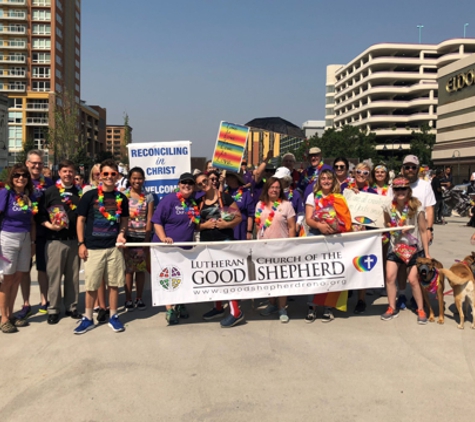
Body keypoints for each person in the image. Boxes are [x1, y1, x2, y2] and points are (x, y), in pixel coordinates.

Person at [75, 159, 129, 334]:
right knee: (91, 285)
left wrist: (121, 234)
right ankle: (88, 318)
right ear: (100, 175)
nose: (109, 177)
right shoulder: (89, 196)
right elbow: (80, 220)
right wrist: (81, 243)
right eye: (105, 173)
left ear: (117, 176)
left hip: (113, 247)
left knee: (114, 284)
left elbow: (124, 220)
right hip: (93, 247)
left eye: (113, 174)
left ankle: (114, 316)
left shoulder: (121, 198)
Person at [195, 172, 244, 327]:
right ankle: (218, 307)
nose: (204, 184)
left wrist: (225, 225)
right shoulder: (199, 202)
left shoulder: (225, 198)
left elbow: (238, 218)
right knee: (214, 276)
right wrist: (204, 226)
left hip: (224, 242)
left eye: (205, 180)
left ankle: (236, 311)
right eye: (200, 183)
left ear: (211, 180)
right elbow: (194, 223)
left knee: (227, 276)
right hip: (207, 244)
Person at [380, 177, 430, 325]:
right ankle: (391, 307)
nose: (400, 192)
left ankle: (421, 309)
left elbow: (423, 230)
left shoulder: (417, 207)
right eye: (397, 189)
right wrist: (395, 228)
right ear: (393, 191)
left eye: (403, 189)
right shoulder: (388, 206)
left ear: (409, 190)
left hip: (414, 248)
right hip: (396, 246)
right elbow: (387, 222)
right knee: (389, 277)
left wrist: (426, 253)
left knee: (413, 280)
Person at [152, 172, 200, 325]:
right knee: (169, 277)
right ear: (179, 184)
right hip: (167, 248)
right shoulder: (169, 200)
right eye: (184, 183)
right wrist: (163, 238)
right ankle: (170, 309)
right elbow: (157, 221)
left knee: (183, 277)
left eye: (190, 183)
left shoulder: (193, 202)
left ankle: (180, 304)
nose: (187, 185)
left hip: (185, 248)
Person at [304, 170, 352, 322]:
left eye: (329, 178)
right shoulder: (312, 196)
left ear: (333, 181)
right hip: (316, 234)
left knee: (332, 271)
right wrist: (320, 226)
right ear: (319, 181)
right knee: (314, 271)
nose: (326, 181)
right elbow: (308, 219)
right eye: (323, 178)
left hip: (335, 236)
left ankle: (328, 307)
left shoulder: (339, 197)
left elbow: (345, 217)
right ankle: (312, 306)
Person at [39, 159, 82, 324]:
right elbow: (41, 214)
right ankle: (54, 309)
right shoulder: (50, 192)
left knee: (73, 277)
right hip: (55, 240)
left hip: (73, 240)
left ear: (74, 173)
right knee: (54, 277)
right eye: (65, 171)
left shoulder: (80, 193)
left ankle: (72, 307)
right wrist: (50, 225)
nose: (68, 174)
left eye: (71, 171)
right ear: (59, 173)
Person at [16, 150, 53, 321]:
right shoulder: (20, 182)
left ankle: (45, 300)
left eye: (40, 163)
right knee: (24, 269)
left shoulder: (49, 183)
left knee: (43, 268)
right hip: (24, 231)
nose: (37, 166)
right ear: (27, 163)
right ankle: (26, 303)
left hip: (44, 231)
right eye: (34, 163)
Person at [0, 164, 37, 333]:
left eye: (24, 175)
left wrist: (32, 242)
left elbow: (32, 221)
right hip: (8, 237)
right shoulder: (5, 193)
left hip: (25, 238)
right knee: (7, 279)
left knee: (18, 277)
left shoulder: (28, 196)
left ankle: (11, 313)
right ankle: (4, 317)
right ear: (11, 177)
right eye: (17, 175)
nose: (20, 178)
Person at [397, 155, 436, 310]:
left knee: (420, 265)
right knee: (401, 266)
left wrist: (429, 229)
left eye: (413, 167)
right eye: (407, 167)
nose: (410, 170)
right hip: (400, 232)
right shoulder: (397, 184)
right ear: (403, 168)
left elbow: (429, 208)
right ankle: (401, 294)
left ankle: (416, 295)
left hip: (420, 232)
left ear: (418, 168)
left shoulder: (425, 185)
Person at [256, 177, 296, 323]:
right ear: (267, 189)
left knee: (281, 279)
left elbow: (292, 227)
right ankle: (272, 304)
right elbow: (258, 225)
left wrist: (291, 245)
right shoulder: (259, 205)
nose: (274, 190)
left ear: (280, 190)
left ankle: (282, 308)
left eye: (277, 187)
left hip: (282, 248)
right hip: (265, 248)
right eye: (271, 187)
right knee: (269, 278)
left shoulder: (287, 205)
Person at [341, 161, 377, 314]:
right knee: (348, 263)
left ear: (369, 175)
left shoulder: (373, 193)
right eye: (359, 172)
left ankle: (361, 299)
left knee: (362, 266)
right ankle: (347, 291)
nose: (361, 176)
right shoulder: (345, 190)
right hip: (348, 233)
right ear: (354, 173)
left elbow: (377, 214)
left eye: (365, 173)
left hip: (365, 235)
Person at [123, 167, 154, 312]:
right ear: (129, 179)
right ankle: (128, 299)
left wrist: (147, 239)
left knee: (140, 269)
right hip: (128, 237)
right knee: (128, 270)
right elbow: (121, 217)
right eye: (134, 178)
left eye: (140, 178)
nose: (137, 181)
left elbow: (149, 218)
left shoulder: (148, 196)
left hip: (142, 237)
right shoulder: (123, 195)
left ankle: (139, 298)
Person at [224, 171, 254, 241]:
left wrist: (249, 231)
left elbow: (250, 214)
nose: (227, 178)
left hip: (241, 228)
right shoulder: (224, 191)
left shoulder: (246, 192)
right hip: (227, 226)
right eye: (226, 176)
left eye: (229, 176)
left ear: (236, 178)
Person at [274, 167, 304, 235]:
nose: (277, 181)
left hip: (292, 229)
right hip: (278, 230)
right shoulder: (274, 193)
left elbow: (301, 213)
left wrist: (298, 223)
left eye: (280, 179)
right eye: (276, 179)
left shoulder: (295, 194)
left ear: (287, 180)